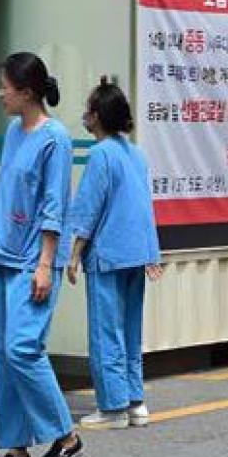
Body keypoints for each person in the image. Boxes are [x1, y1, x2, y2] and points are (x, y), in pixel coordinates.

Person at [0, 52, 83, 457]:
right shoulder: (13, 131)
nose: (0, 93)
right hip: (5, 254)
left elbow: (55, 204)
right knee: (3, 355)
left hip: (34, 261)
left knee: (22, 348)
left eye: (6, 87)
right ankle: (17, 449)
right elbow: (7, 191)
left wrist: (45, 265)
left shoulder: (55, 138)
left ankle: (66, 437)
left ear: (27, 92)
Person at [66, 78, 163, 430]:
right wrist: (154, 253)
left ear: (98, 117)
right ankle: (135, 401)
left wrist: (73, 255)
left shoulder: (100, 155)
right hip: (138, 251)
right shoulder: (136, 154)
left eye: (89, 109)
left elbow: (88, 208)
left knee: (106, 331)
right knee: (130, 328)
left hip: (107, 254)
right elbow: (145, 206)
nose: (84, 115)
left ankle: (111, 407)